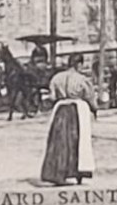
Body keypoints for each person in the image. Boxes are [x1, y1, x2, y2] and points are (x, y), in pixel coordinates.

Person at [40, 54, 96, 185]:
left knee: (59, 141)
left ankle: (57, 172)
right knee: (78, 141)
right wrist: (94, 108)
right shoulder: (82, 79)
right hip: (77, 110)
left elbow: (52, 97)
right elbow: (89, 96)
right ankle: (78, 172)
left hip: (61, 109)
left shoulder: (56, 78)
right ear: (79, 65)